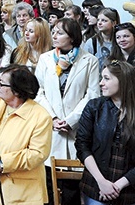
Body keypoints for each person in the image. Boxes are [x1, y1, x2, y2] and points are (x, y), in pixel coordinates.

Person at [35, 17, 100, 205]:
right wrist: (53, 117)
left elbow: (92, 94)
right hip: (50, 126)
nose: (54, 35)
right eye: (54, 31)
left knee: (71, 189)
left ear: (72, 37)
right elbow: (38, 91)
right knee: (47, 183)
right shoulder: (45, 59)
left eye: (60, 33)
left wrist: (70, 120)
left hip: (75, 128)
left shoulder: (89, 60)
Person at [0, 65, 52, 205]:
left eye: (2, 83)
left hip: (21, 192)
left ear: (16, 90)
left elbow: (38, 153)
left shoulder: (40, 116)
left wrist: (2, 164)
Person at [76, 60, 135, 205]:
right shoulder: (94, 106)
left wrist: (118, 185)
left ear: (123, 80)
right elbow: (82, 146)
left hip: (130, 190)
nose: (101, 83)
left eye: (106, 78)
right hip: (96, 186)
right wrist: (102, 182)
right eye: (101, 78)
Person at [83, 7, 120, 75]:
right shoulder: (92, 42)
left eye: (104, 20)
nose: (99, 23)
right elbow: (85, 65)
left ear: (114, 23)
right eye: (98, 20)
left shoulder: (119, 41)